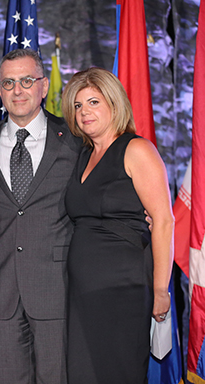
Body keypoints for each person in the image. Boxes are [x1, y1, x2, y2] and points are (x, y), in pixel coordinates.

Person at [0, 48, 81, 384]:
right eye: (9, 82)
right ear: (0, 90)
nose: (18, 90)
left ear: (44, 86)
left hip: (57, 289)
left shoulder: (75, 141)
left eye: (26, 81)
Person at [61, 67, 174, 383]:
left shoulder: (137, 149)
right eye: (78, 106)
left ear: (114, 103)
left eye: (94, 102)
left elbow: (163, 221)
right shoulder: (84, 155)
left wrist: (161, 289)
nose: (85, 112)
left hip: (122, 290)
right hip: (82, 294)